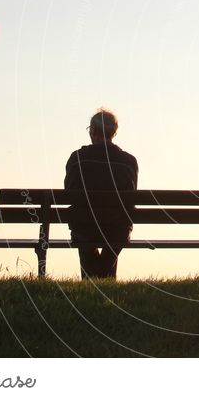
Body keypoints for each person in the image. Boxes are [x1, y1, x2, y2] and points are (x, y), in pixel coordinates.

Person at [64, 108, 138, 279]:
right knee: (115, 234)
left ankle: (93, 282)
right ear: (114, 132)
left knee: (84, 235)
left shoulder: (78, 158)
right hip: (117, 228)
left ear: (93, 131)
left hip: (84, 227)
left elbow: (69, 192)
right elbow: (130, 197)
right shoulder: (128, 161)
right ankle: (104, 280)